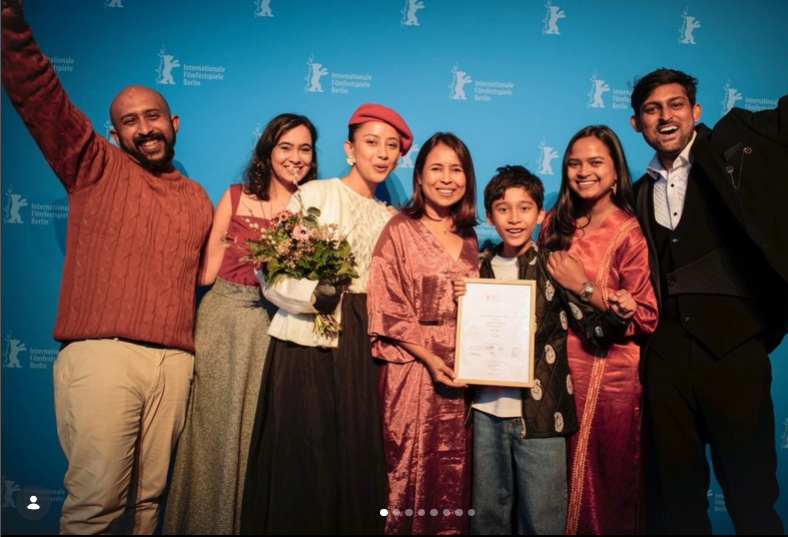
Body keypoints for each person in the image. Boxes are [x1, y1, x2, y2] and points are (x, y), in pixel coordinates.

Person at [0, 1, 213, 534]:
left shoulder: (199, 199)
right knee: (95, 506)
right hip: (104, 360)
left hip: (174, 363)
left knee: (148, 508)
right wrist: (10, 23)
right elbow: (39, 96)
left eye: (153, 116)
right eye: (129, 121)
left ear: (174, 122)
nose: (144, 128)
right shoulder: (92, 165)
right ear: (113, 133)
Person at [240, 103, 413, 535]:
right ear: (349, 148)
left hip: (363, 347)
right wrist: (316, 296)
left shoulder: (393, 218)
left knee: (352, 459)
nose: (382, 153)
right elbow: (270, 270)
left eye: (391, 146)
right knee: (305, 460)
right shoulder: (315, 194)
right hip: (306, 346)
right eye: (372, 142)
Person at [629, 68, 788, 535]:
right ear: (637, 123)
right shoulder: (638, 193)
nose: (666, 116)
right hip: (664, 359)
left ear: (696, 112)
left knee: (752, 497)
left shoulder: (737, 149)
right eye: (653, 109)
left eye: (676, 105)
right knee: (676, 503)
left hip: (735, 350)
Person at [163, 113, 318, 535]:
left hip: (278, 330)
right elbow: (206, 272)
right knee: (215, 433)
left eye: (305, 149)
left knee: (260, 437)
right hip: (224, 323)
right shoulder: (234, 197)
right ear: (267, 151)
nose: (295, 157)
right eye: (285, 147)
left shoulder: (314, 208)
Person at [466, 165, 634, 536]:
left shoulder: (554, 264)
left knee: (543, 522)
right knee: (487, 521)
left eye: (524, 208)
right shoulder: (475, 268)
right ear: (489, 215)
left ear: (540, 214)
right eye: (503, 208)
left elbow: (593, 329)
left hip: (545, 414)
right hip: (484, 413)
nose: (514, 218)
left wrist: (617, 313)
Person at [540, 125, 658, 535]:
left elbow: (645, 314)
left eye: (595, 163)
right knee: (552, 485)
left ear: (614, 170)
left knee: (603, 488)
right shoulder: (557, 220)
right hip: (556, 375)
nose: (583, 171)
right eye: (574, 163)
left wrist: (586, 288)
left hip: (609, 378)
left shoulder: (629, 231)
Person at [367, 132, 479, 535]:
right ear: (418, 175)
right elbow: (386, 306)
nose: (446, 178)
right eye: (436, 168)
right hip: (412, 372)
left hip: (463, 375)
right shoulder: (399, 229)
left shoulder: (470, 237)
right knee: (409, 472)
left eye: (456, 169)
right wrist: (430, 358)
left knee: (455, 475)